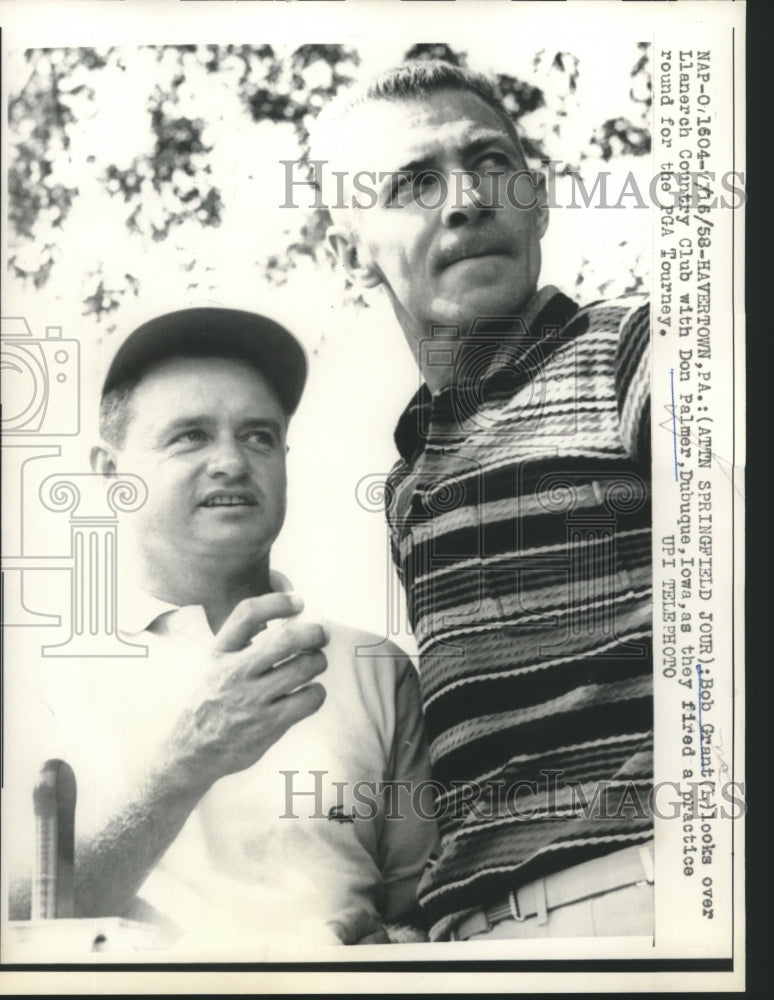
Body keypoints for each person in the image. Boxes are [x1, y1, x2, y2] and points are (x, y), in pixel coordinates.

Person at [314, 60, 653, 942]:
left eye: (490, 161)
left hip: (653, 896)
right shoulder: (409, 482)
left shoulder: (639, 347)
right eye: (412, 183)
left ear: (537, 199)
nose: (465, 200)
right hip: (475, 940)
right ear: (346, 250)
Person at [5, 307, 437, 954]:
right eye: (189, 436)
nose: (232, 462)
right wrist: (185, 763)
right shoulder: (37, 672)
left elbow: (424, 913)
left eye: (259, 436)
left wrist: (395, 942)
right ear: (110, 473)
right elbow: (15, 922)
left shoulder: (374, 668)